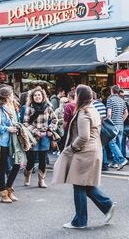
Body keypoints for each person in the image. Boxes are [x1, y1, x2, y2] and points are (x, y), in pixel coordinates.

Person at [52, 84, 116, 229]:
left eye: (76, 94)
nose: (74, 97)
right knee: (85, 185)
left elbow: (84, 136)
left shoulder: (83, 112)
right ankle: (107, 206)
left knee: (79, 185)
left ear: (80, 96)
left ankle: (80, 221)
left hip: (84, 152)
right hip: (93, 150)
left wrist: (72, 148)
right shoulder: (92, 109)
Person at [23, 87, 58, 188]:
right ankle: (28, 176)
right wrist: (36, 131)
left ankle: (41, 180)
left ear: (43, 96)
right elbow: (25, 123)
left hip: (45, 137)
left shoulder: (48, 107)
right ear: (32, 97)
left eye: (39, 95)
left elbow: (55, 120)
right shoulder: (29, 108)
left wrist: (50, 130)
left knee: (43, 159)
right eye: (35, 95)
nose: (37, 97)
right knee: (31, 159)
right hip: (33, 137)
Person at [0, 87, 23, 203]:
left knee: (17, 164)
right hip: (2, 141)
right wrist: (7, 128)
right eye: (12, 94)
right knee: (2, 168)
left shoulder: (13, 107)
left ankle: (8, 188)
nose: (13, 96)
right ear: (7, 96)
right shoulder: (0, 109)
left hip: (14, 141)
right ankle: (3, 192)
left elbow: (18, 121)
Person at [106, 85, 128, 170]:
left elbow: (109, 114)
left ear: (112, 91)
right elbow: (126, 112)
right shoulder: (122, 100)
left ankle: (121, 160)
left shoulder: (110, 100)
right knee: (118, 143)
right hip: (120, 125)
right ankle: (115, 162)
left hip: (113, 125)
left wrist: (108, 122)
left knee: (111, 143)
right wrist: (121, 120)